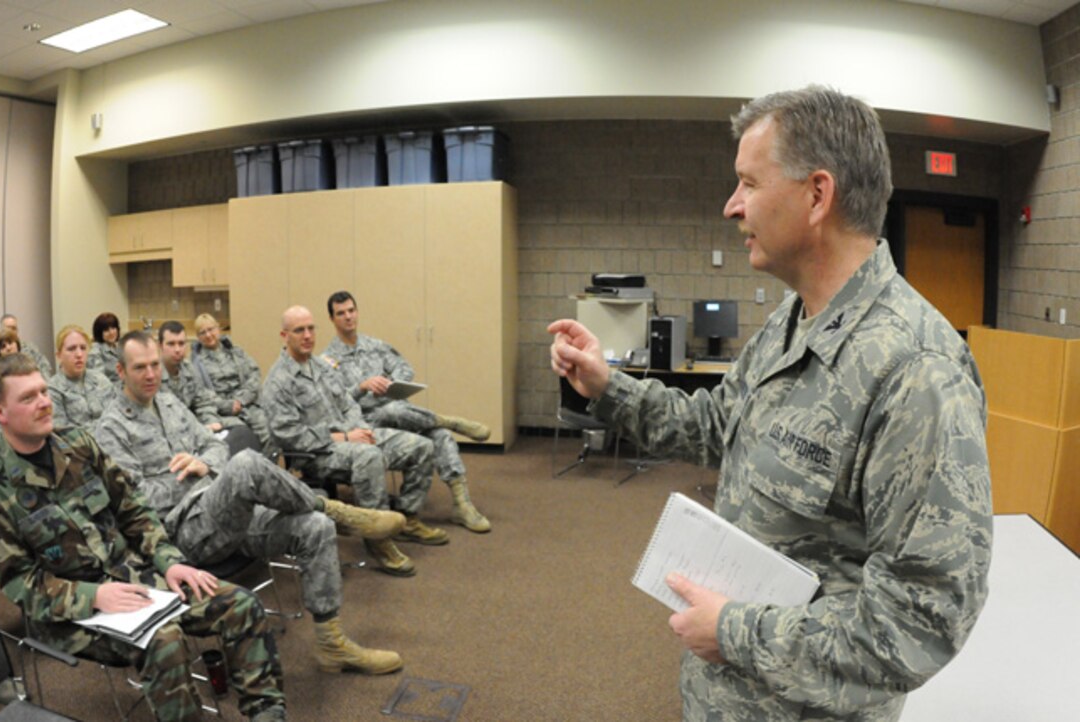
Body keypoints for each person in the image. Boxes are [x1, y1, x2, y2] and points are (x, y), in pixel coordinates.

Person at [548, 86, 993, 721]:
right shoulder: (795, 319)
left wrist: (733, 633)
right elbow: (718, 425)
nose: (732, 207)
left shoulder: (917, 371)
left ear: (817, 195)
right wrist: (606, 387)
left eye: (748, 184)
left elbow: (922, 620)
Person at [0, 353, 287, 721]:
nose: (44, 402)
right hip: (71, 612)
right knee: (165, 640)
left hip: (135, 578)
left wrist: (170, 560)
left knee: (240, 605)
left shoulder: (78, 444)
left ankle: (267, 714)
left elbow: (133, 509)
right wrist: (94, 595)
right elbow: (21, 583)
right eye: (28, 397)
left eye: (44, 392)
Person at [94, 331, 408, 676]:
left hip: (224, 512)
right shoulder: (110, 428)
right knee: (245, 464)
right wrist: (195, 476)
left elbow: (214, 446)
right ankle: (338, 511)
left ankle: (331, 642)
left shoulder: (169, 403)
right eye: (140, 367)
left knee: (314, 527)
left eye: (155, 365)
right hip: (181, 532)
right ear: (121, 371)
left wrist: (205, 465)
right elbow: (135, 500)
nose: (152, 374)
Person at [262, 306, 446, 577]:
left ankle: (407, 519)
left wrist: (360, 430)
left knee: (421, 447)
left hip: (354, 436)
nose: (307, 335)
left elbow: (348, 404)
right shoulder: (278, 381)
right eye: (299, 330)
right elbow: (288, 435)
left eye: (311, 328)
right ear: (284, 335)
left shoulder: (321, 367)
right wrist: (345, 437)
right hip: (318, 454)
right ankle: (379, 538)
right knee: (368, 458)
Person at [323, 291, 491, 533]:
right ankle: (446, 419)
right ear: (332, 319)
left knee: (440, 435)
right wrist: (362, 387)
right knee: (393, 409)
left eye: (351, 310)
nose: (348, 317)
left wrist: (391, 384)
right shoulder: (327, 361)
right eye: (341, 313)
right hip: (366, 422)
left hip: (400, 412)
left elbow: (404, 368)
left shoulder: (375, 346)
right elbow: (335, 404)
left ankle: (461, 504)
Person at [158, 320, 260, 455]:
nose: (177, 349)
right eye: (171, 344)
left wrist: (212, 423)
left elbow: (202, 402)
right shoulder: (152, 376)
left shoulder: (188, 369)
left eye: (181, 344)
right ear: (160, 346)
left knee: (241, 430)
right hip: (167, 434)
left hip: (196, 424)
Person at [190, 314, 273, 451]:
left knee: (267, 430)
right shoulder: (195, 364)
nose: (208, 335)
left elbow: (254, 375)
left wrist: (241, 400)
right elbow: (201, 394)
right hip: (221, 412)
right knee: (242, 437)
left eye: (211, 329)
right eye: (202, 332)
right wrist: (228, 405)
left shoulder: (236, 352)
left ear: (219, 329)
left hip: (246, 404)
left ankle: (265, 467)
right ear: (198, 338)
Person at [47, 324, 117, 433]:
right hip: (81, 449)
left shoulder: (101, 380)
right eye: (71, 349)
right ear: (59, 355)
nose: (79, 354)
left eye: (83, 348)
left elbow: (119, 417)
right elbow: (63, 435)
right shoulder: (52, 390)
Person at [0, 314, 52, 378]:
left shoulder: (30, 348)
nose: (11, 331)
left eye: (14, 328)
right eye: (8, 328)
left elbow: (44, 366)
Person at [88, 312, 122, 384]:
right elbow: (98, 379)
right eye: (106, 330)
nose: (111, 332)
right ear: (99, 333)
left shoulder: (117, 347)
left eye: (113, 328)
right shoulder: (95, 351)